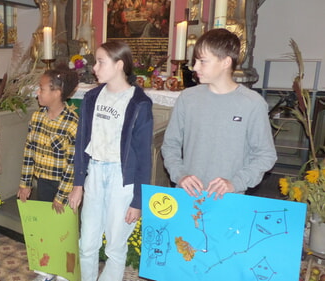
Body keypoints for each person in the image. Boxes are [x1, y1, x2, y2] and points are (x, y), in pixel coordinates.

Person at [69, 41, 154, 281]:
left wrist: (137, 201)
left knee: (115, 248)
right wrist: (78, 185)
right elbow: (81, 142)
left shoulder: (139, 103)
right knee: (87, 244)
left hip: (121, 178)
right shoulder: (92, 97)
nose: (94, 67)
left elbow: (143, 157)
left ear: (119, 65)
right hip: (94, 173)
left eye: (100, 62)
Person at [161, 28, 277, 200]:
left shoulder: (252, 103)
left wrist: (235, 183)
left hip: (229, 200)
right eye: (195, 61)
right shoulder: (188, 98)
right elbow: (170, 145)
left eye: (202, 61)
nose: (195, 67)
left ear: (225, 62)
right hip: (187, 195)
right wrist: (180, 175)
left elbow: (265, 155)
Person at [17, 66, 79, 281]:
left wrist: (61, 196)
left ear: (57, 92)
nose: (38, 93)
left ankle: (64, 271)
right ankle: (47, 268)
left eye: (42, 89)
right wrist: (25, 183)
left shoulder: (72, 123)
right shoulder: (36, 117)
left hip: (64, 186)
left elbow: (73, 164)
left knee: (64, 231)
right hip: (42, 182)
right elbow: (28, 151)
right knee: (45, 228)